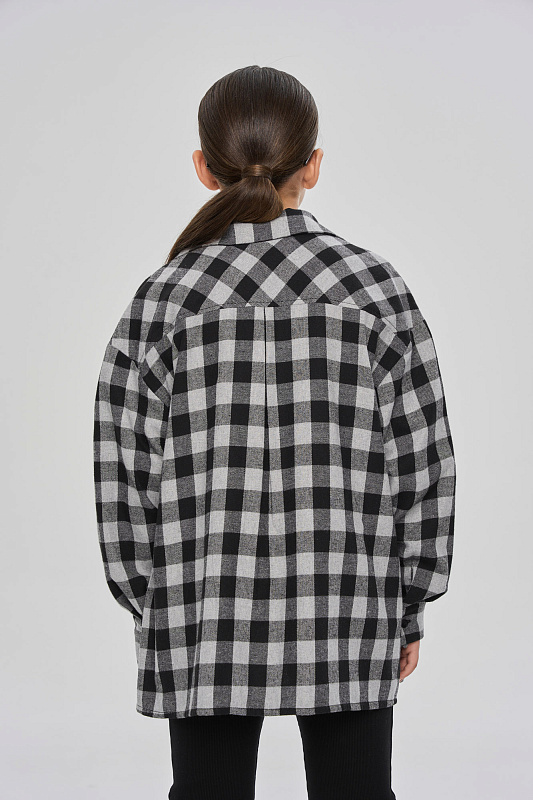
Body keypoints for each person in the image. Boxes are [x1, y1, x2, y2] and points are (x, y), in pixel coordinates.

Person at [93, 65, 456, 800]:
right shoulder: (374, 290)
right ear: (312, 166)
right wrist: (408, 603)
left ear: (203, 167)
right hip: (350, 606)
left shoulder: (162, 300)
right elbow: (423, 464)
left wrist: (154, 604)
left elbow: (123, 477)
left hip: (202, 612)